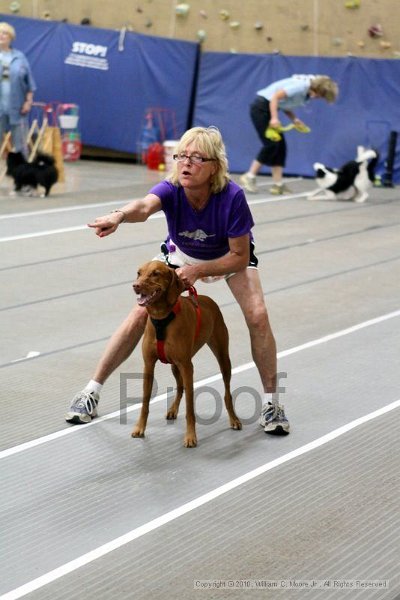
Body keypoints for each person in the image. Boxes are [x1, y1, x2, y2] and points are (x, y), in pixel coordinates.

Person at [65, 126, 290, 435]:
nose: (186, 163)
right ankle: (90, 391)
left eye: (197, 157)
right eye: (182, 155)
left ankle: (271, 404)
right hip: (182, 253)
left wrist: (199, 271)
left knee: (258, 315)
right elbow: (143, 207)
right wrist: (118, 216)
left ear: (215, 166)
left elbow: (239, 256)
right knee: (139, 312)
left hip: (227, 257)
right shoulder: (171, 188)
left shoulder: (232, 197)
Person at [240, 74, 338, 195]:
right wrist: (274, 118)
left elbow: (284, 104)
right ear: (318, 90)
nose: (319, 98)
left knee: (281, 147)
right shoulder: (301, 87)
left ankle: (278, 185)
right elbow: (275, 98)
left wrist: (294, 119)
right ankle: (249, 176)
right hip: (260, 108)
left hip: (268, 108)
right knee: (271, 144)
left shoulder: (306, 93)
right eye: (322, 95)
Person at [0, 22, 36, 157]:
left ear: (11, 37)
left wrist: (28, 101)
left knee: (21, 145)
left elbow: (30, 82)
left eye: (4, 33)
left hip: (18, 107)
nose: (1, 35)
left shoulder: (20, 57)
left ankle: (22, 175)